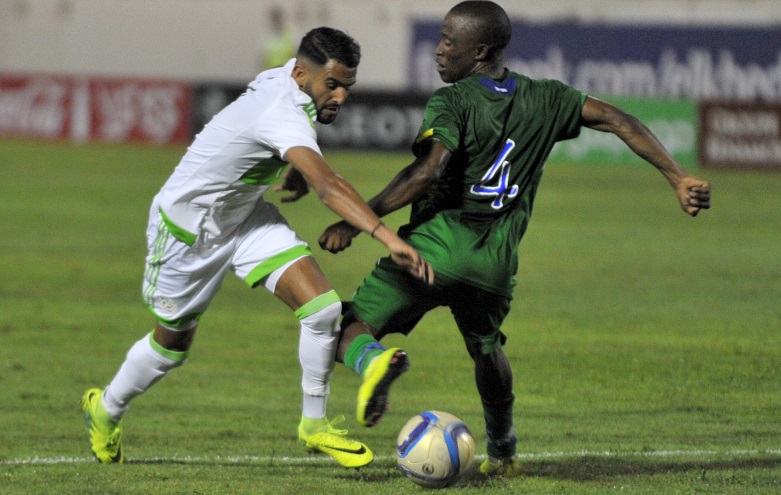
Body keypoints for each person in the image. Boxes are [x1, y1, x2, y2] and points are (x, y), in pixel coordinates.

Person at [314, 0, 712, 476]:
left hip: (434, 250)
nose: (438, 52)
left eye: (448, 42)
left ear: (479, 50)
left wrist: (356, 221)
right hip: (495, 265)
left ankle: (375, 363)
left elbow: (426, 172)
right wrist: (678, 177)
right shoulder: (548, 97)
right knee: (486, 348)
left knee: (340, 328)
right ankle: (502, 449)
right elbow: (618, 120)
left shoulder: (454, 100)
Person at [81, 26, 433, 469]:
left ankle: (314, 426)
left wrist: (291, 167)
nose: (341, 96)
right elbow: (328, 184)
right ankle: (106, 408)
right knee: (171, 346)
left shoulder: (288, 79)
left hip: (243, 217)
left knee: (322, 310)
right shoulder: (281, 108)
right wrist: (385, 236)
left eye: (348, 86)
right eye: (334, 85)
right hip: (189, 231)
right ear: (304, 74)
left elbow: (272, 137)